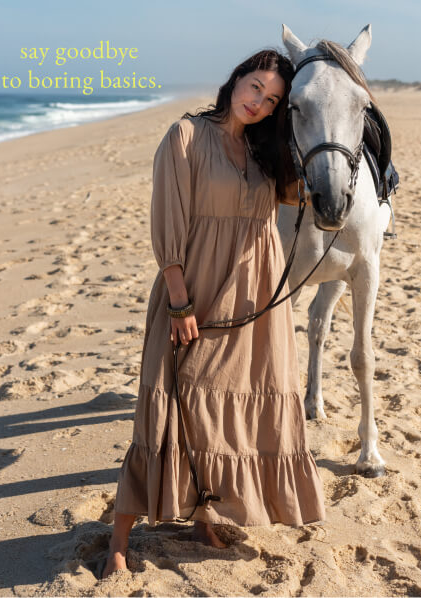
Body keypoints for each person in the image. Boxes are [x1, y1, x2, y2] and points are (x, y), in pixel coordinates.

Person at [101, 49, 325, 579]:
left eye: (272, 100)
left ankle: (206, 512)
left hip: (255, 299)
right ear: (235, 81)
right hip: (197, 287)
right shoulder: (185, 136)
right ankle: (117, 539)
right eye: (254, 88)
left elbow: (305, 199)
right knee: (170, 402)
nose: (259, 103)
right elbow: (168, 224)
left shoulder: (262, 150)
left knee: (228, 406)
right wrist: (179, 300)